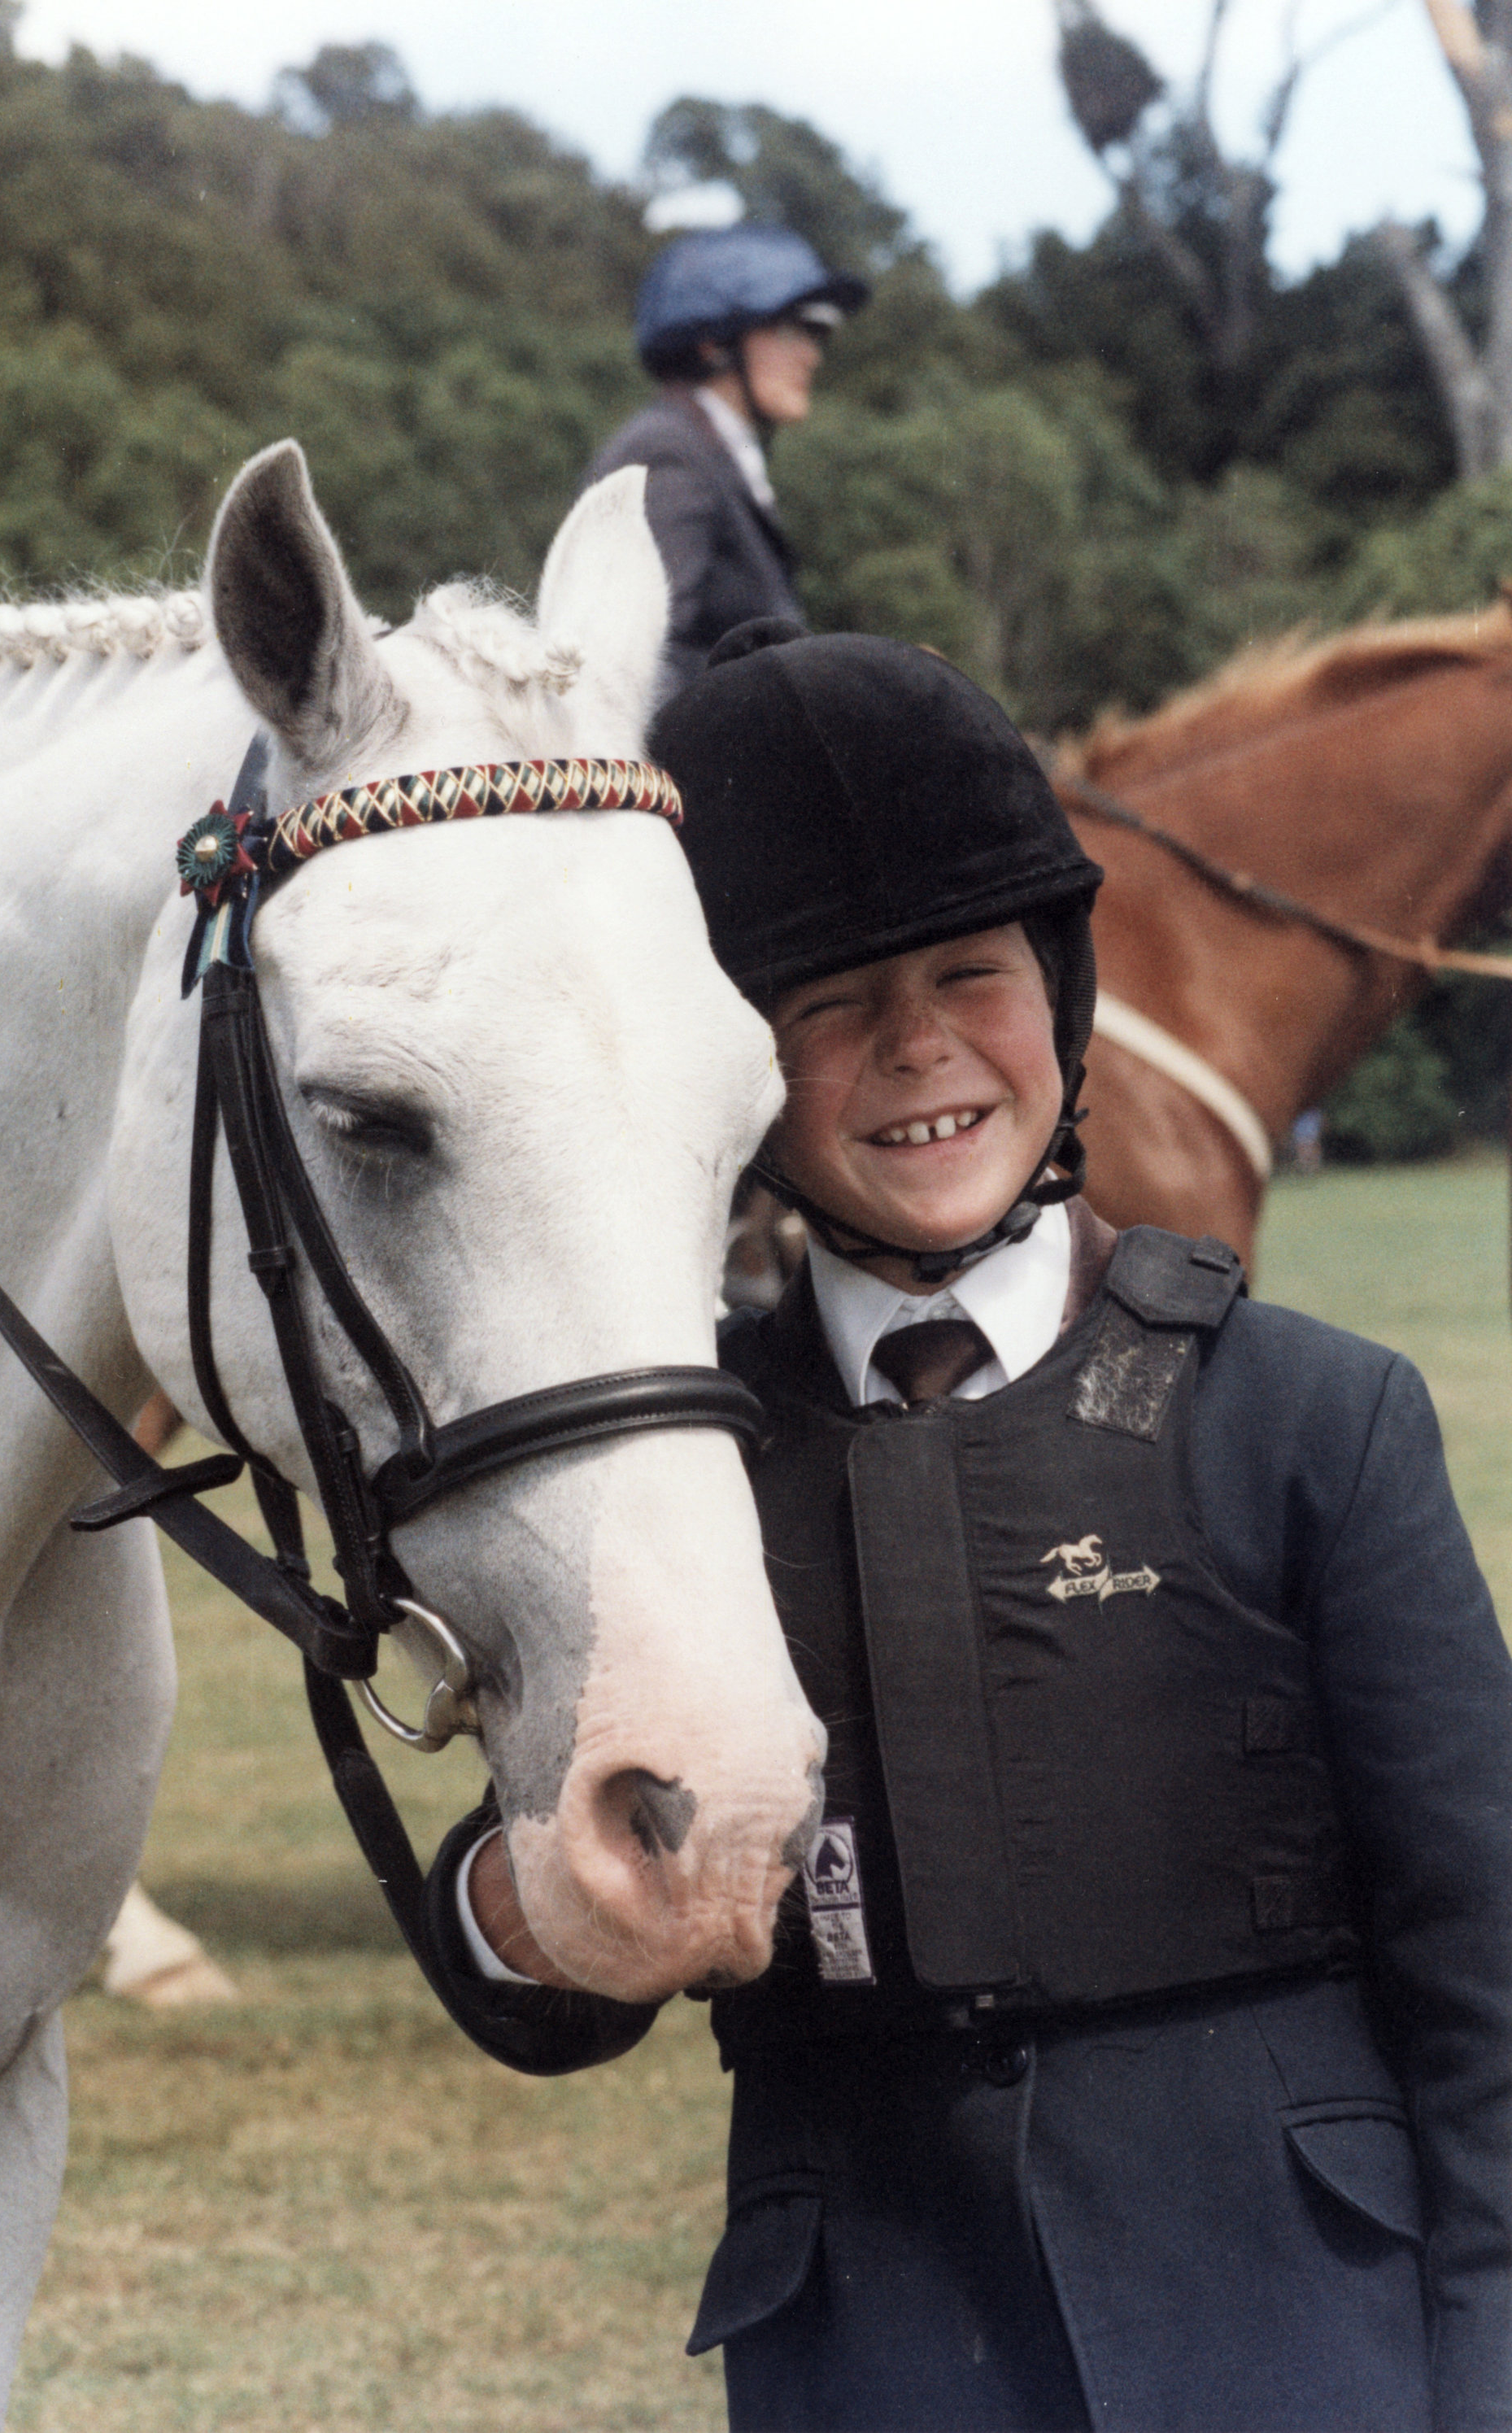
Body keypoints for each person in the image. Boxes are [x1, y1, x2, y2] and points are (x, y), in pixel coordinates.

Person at [419, 622, 1512, 2433]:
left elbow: (1489, 1990)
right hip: (867, 2343)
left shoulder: (1318, 1420)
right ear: (737, 1060)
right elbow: (540, 1966)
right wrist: (514, 1908)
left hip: (1296, 2333)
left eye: (969, 971)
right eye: (830, 1001)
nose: (918, 1048)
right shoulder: (690, 1464)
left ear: (1065, 988)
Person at [584, 225, 867, 692]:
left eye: (820, 335)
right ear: (713, 342)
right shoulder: (667, 453)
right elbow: (633, 667)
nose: (812, 356)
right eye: (796, 328)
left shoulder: (718, 453)